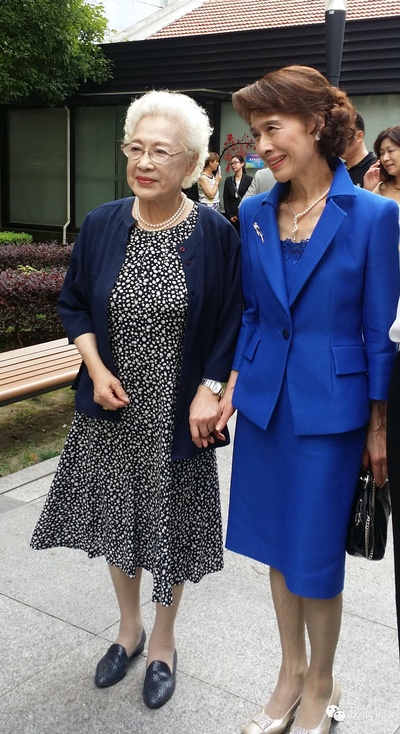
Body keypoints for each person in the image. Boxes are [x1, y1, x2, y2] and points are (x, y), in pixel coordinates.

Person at [30, 90, 242, 709]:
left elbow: (232, 319)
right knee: (119, 523)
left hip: (177, 415)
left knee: (168, 530)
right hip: (111, 409)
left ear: (192, 162)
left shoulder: (214, 233)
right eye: (135, 148)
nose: (144, 162)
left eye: (161, 152)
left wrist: (209, 390)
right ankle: (129, 631)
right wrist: (95, 370)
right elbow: (73, 302)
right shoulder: (102, 223)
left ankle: (163, 644)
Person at [217, 65, 399, 734]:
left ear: (317, 124)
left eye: (272, 128)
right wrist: (231, 387)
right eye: (255, 132)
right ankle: (290, 672)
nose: (261, 146)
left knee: (314, 558)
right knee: (275, 545)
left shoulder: (375, 215)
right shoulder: (254, 212)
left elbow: (380, 333)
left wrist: (378, 426)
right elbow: (253, 314)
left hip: (333, 412)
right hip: (266, 407)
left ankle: (322, 681)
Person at [363, 125, 400, 207]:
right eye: (382, 153)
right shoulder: (379, 188)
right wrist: (367, 190)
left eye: (391, 151)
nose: (385, 158)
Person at [341, 111, 377, 186]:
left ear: (359, 136)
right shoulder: (337, 170)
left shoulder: (375, 169)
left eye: (343, 137)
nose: (337, 143)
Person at [223, 154, 253, 232]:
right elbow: (226, 198)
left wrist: (238, 215)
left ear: (242, 164)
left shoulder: (249, 179)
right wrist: (229, 215)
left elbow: (250, 198)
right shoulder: (228, 180)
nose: (233, 165)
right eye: (232, 163)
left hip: (243, 212)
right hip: (231, 215)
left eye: (235, 162)